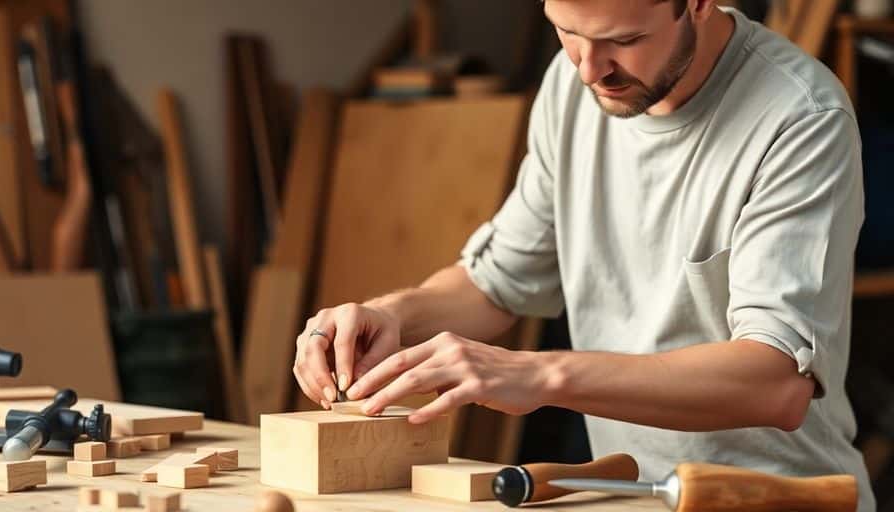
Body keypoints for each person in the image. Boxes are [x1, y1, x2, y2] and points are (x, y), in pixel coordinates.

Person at [292, 1, 874, 510]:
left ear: (698, 1)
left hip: (776, 500)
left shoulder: (800, 117)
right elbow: (496, 283)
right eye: (565, 31)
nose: (590, 69)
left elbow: (774, 384)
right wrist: (392, 316)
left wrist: (540, 373)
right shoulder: (572, 86)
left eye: (624, 40)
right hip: (630, 495)